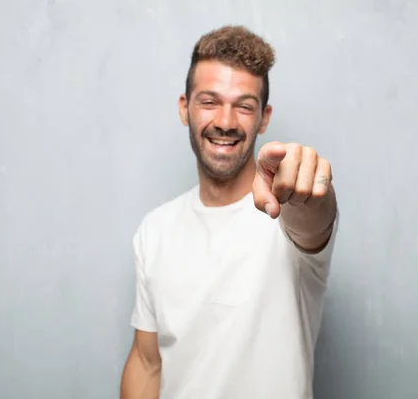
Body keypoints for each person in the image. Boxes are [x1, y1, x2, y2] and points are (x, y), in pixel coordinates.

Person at [120, 25, 339, 399]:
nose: (225, 121)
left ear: (264, 118)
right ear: (184, 108)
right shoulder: (154, 230)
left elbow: (314, 218)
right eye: (209, 101)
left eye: (243, 105)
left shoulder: (286, 211)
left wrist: (312, 191)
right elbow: (147, 361)